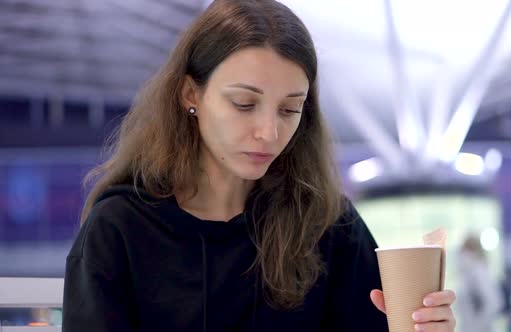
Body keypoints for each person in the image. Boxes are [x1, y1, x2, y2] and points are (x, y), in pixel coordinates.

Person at [61, 0, 456, 331]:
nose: (269, 132)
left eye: (289, 109)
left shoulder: (327, 225)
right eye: (244, 104)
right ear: (189, 94)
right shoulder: (121, 229)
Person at [455, 234, 503, 332]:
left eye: (465, 251)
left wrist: (478, 326)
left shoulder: (479, 272)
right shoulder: (467, 275)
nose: (461, 256)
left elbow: (494, 303)